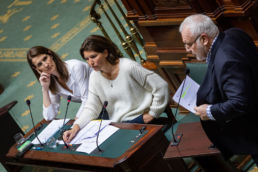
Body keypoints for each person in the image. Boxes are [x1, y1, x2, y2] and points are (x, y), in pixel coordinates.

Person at [179, 14, 258, 165]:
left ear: (204, 39)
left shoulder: (226, 59)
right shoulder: (234, 33)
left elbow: (240, 102)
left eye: (189, 44)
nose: (187, 50)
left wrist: (209, 111)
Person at [63, 35, 169, 143]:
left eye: (93, 56)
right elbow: (91, 107)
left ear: (105, 52)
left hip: (140, 118)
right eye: (87, 59)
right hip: (119, 124)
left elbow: (161, 86)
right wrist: (75, 127)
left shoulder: (128, 67)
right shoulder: (94, 77)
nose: (90, 62)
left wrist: (153, 113)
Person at [27, 46, 92, 121]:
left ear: (50, 55)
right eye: (39, 64)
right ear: (36, 69)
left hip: (105, 99)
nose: (46, 65)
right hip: (92, 109)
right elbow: (49, 116)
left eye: (45, 59)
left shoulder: (76, 67)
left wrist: (76, 122)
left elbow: (87, 99)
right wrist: (45, 89)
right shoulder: (52, 81)